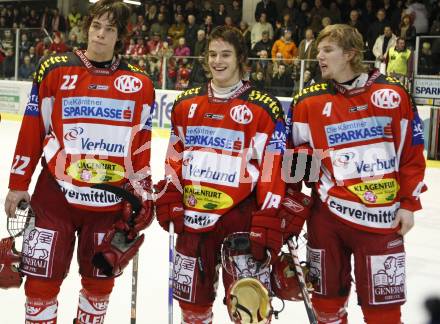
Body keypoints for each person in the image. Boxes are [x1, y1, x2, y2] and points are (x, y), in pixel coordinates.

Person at [3, 1, 155, 323]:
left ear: (120, 36)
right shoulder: (55, 69)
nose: (100, 35)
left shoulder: (139, 84)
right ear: (87, 27)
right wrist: (18, 184)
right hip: (55, 196)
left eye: (110, 29)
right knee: (41, 286)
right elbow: (33, 128)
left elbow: (140, 148)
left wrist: (144, 194)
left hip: (108, 202)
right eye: (96, 26)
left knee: (98, 289)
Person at [154, 25, 301, 324]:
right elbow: (175, 155)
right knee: (193, 309)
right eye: (212, 54)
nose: (217, 61)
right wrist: (171, 190)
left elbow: (274, 169)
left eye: (225, 54)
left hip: (242, 216)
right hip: (194, 215)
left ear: (240, 58)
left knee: (251, 311)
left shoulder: (264, 107)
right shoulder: (185, 104)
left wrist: (269, 215)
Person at [288, 24, 426, 324]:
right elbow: (295, 167)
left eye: (328, 50)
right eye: (319, 50)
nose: (319, 57)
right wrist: (288, 210)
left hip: (381, 218)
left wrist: (408, 203)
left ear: (350, 54)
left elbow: (411, 154)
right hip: (327, 218)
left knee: (384, 314)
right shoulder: (307, 102)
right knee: (326, 308)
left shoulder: (392, 95)